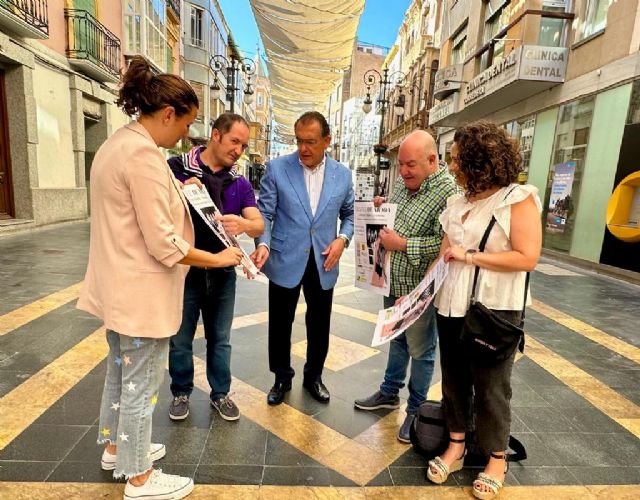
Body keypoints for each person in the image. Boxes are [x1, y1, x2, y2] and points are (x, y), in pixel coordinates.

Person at [77, 56, 243, 500]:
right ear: (167, 114)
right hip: (140, 291)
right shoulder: (145, 158)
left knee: (120, 372)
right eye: (184, 125)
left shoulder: (117, 144)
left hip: (119, 287)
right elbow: (164, 243)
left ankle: (117, 448)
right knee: (140, 383)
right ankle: (139, 478)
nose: (183, 137)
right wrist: (218, 258)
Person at [426, 121, 541, 500]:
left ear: (480, 161)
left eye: (458, 160)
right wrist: (419, 293)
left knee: (492, 387)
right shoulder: (457, 203)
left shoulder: (517, 198)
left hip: (494, 309)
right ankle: (456, 445)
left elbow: (527, 257)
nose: (452, 166)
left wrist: (470, 256)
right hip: (451, 304)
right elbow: (445, 255)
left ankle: (496, 458)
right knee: (454, 380)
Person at [354, 130, 457, 443]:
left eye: (410, 165)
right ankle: (389, 392)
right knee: (396, 339)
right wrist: (383, 207)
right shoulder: (403, 183)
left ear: (432, 160)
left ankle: (417, 409)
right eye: (401, 165)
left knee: (421, 350)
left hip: (419, 288)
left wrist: (403, 243)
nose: (404, 171)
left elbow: (447, 244)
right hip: (392, 280)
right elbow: (395, 217)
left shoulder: (448, 193)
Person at [251, 111, 354, 405]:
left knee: (320, 323)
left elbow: (349, 214)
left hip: (324, 260)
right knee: (280, 322)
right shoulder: (278, 168)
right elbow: (265, 214)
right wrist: (264, 244)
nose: (304, 149)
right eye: (299, 141)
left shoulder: (342, 175)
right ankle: (281, 377)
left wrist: (342, 239)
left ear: (327, 141)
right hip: (284, 257)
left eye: (311, 142)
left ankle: (314, 377)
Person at [167, 113, 264, 422]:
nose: (238, 150)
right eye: (234, 141)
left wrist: (244, 223)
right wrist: (180, 193)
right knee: (180, 338)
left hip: (223, 273)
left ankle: (220, 394)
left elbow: (258, 223)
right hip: (185, 269)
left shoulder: (240, 182)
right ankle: (181, 392)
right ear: (215, 135)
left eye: (243, 145)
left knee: (220, 339)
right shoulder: (176, 168)